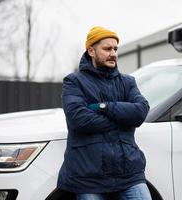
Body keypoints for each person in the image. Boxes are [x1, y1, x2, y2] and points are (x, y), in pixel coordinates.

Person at [57, 26, 151, 200]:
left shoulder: (128, 82)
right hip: (88, 176)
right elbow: (79, 119)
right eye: (107, 49)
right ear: (91, 51)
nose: (113, 54)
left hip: (129, 173)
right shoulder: (74, 81)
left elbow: (141, 111)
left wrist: (104, 107)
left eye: (115, 49)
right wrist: (123, 119)